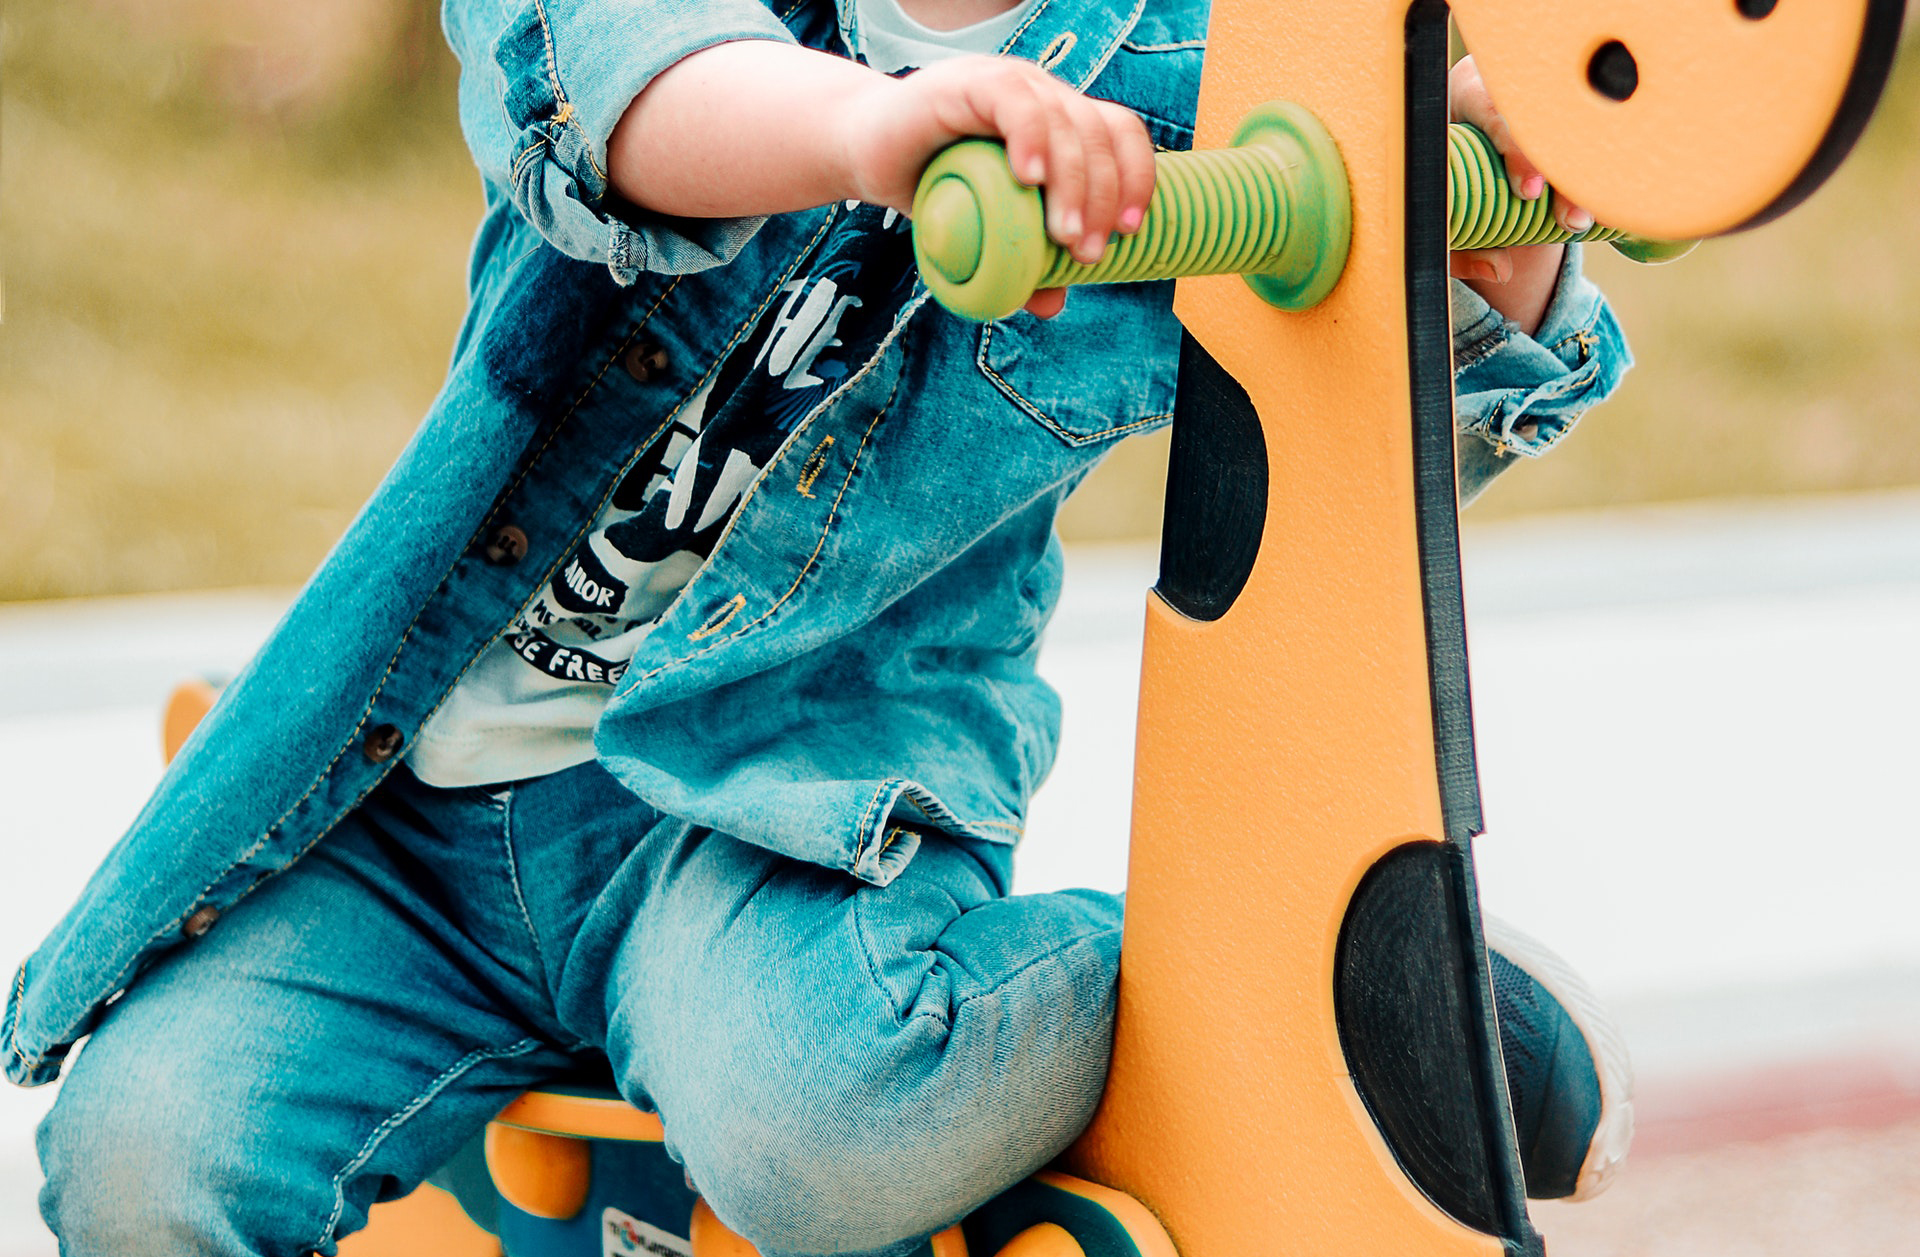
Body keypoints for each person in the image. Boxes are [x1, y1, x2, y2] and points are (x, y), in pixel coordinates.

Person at [14, 0, 1633, 1250]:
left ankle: (1310, 992)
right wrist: (879, 131)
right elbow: (633, 90)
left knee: (821, 1131)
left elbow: (1343, 405)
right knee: (138, 1152)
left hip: (777, 823)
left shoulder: (1183, 76)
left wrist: (1489, 251)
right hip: (426, 823)